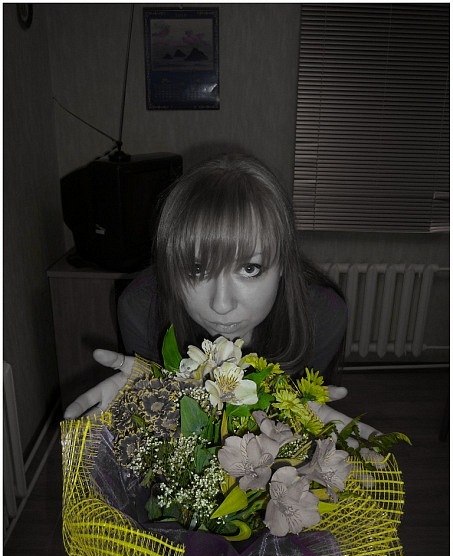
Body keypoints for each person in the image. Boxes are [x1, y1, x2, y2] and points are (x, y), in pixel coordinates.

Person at [63, 153, 376, 441]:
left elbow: (298, 412)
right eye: (197, 269)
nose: (222, 305)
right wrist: (151, 398)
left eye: (250, 268)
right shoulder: (142, 309)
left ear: (283, 263)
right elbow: (174, 428)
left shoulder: (321, 315)